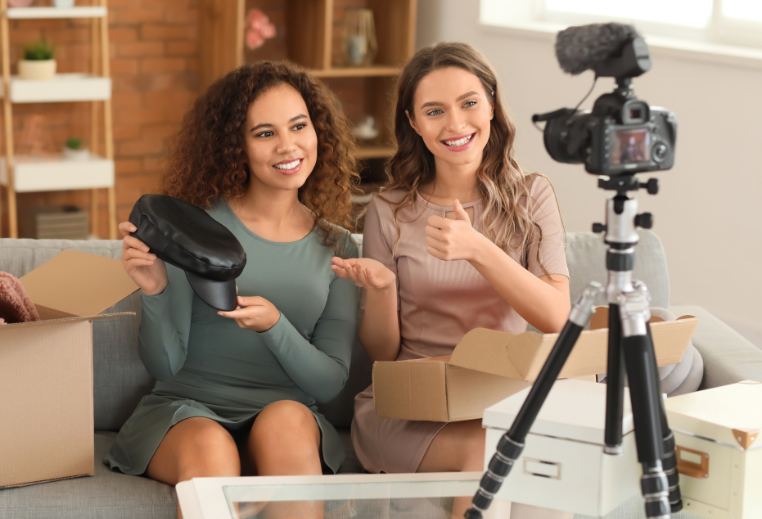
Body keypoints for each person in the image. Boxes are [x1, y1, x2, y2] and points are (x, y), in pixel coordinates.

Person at [105, 61, 360, 518]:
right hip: (187, 413)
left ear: (317, 130)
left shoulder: (337, 246)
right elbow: (165, 364)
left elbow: (329, 382)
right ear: (236, 146)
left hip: (286, 414)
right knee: (212, 452)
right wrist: (156, 291)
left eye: (298, 126)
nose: (288, 145)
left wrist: (275, 326)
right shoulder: (197, 230)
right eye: (264, 133)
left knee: (287, 422)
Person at [332, 43, 574, 519]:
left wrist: (479, 249)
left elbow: (555, 318)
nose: (456, 124)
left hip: (500, 395)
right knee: (492, 452)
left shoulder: (532, 195)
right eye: (435, 111)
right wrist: (382, 289)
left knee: (540, 459)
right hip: (411, 402)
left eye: (469, 103)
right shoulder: (390, 210)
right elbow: (382, 352)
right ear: (414, 123)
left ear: (491, 105)